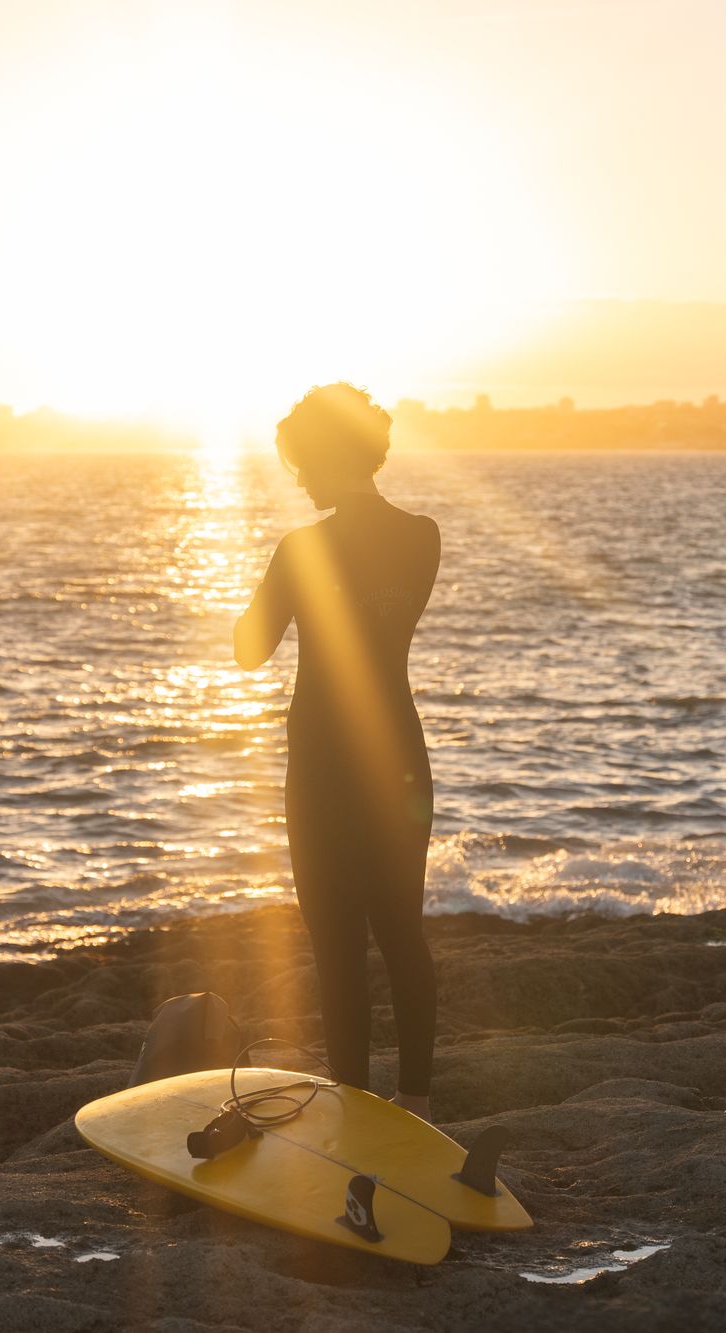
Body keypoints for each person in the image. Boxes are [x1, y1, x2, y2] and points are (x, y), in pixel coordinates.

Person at [234, 383, 441, 1121]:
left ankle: (353, 1102)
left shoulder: (300, 549)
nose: (299, 478)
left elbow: (249, 650)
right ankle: (416, 1099)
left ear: (319, 455)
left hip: (322, 768)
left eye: (299, 461)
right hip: (399, 759)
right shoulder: (423, 537)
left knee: (337, 946)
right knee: (401, 934)